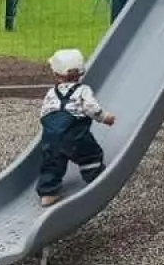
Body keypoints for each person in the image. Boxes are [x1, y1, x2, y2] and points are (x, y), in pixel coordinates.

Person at [36, 49, 116, 207]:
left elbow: (44, 113)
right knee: (90, 154)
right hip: (75, 135)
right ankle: (95, 178)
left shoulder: (51, 92)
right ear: (80, 73)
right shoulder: (83, 90)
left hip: (51, 137)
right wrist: (105, 118)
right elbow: (91, 108)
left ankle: (48, 193)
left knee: (51, 163)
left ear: (56, 74)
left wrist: (51, 130)